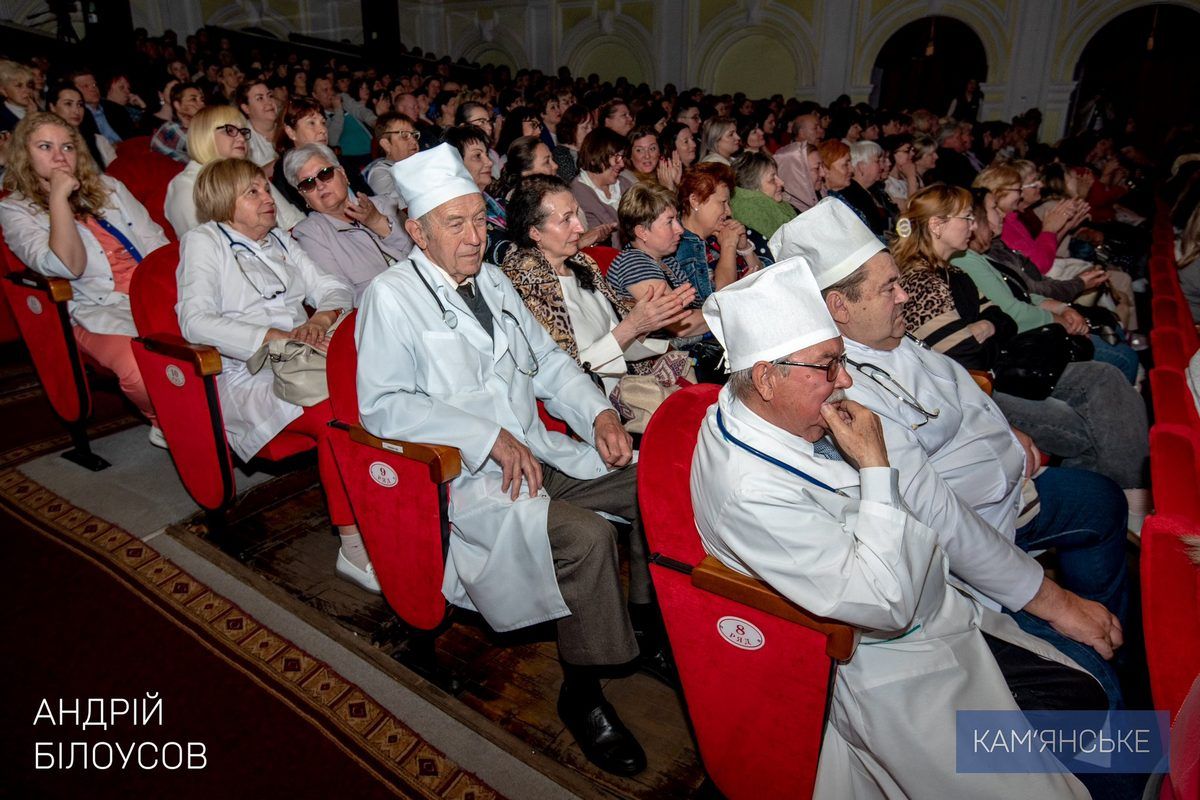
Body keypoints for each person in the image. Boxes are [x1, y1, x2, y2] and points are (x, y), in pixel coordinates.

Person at [690, 257, 1114, 799]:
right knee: (1089, 733)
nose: (844, 380)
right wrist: (875, 468)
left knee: (1090, 697)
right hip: (892, 668)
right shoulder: (751, 490)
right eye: (827, 365)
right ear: (769, 377)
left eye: (841, 360)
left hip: (938, 614)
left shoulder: (756, 405)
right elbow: (883, 603)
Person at [355, 143, 656, 777]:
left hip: (538, 450)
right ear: (416, 231)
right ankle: (583, 692)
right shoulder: (390, 297)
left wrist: (596, 414)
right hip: (474, 479)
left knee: (651, 484)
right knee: (585, 538)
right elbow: (381, 408)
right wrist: (483, 437)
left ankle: (642, 622)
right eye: (453, 224)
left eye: (477, 219)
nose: (472, 237)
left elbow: (547, 363)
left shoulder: (493, 279)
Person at [779, 197, 1132, 708]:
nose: (906, 296)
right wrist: (1055, 603)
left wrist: (1009, 433)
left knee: (1103, 500)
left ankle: (1105, 628)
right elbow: (939, 517)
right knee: (1095, 693)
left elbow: (962, 391)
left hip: (1011, 496)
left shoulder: (890, 336)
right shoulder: (839, 387)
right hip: (967, 549)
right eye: (889, 288)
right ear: (838, 307)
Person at [891, 185, 1149, 528]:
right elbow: (965, 358)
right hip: (974, 393)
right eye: (966, 218)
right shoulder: (920, 279)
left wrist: (984, 328)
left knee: (1104, 377)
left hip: (1002, 371)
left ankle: (1129, 501)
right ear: (937, 225)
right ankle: (1092, 511)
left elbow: (1003, 320)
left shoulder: (951, 272)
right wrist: (985, 330)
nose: (972, 224)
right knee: (1092, 434)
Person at [176, 157, 379, 592]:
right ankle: (352, 544)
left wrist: (319, 322)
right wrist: (276, 335)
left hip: (301, 354)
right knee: (335, 416)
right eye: (253, 192)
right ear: (223, 200)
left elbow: (331, 286)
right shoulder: (203, 242)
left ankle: (386, 509)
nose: (268, 198)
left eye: (265, 190)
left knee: (378, 389)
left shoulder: (280, 241)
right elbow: (195, 323)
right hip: (247, 372)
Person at [0, 112, 169, 446]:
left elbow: (155, 242)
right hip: (95, 309)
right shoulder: (15, 210)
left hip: (148, 292)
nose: (60, 156)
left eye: (67, 146)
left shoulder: (109, 187)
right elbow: (68, 267)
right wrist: (58, 199)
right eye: (45, 146)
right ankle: (165, 420)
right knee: (139, 369)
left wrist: (172, 291)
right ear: (24, 154)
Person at [500, 175, 691, 394]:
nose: (580, 227)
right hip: (592, 400)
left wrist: (645, 324)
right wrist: (633, 326)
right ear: (535, 232)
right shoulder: (527, 287)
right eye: (566, 219)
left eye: (577, 214)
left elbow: (615, 336)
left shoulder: (583, 264)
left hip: (627, 382)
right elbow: (562, 372)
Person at [287, 143, 412, 304]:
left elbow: (423, 253)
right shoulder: (310, 234)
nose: (319, 185)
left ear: (343, 174)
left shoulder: (384, 204)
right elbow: (341, 295)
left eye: (325, 173)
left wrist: (378, 222)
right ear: (304, 196)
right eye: (308, 184)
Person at [164, 105, 304, 238]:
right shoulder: (186, 186)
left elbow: (293, 220)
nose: (241, 138)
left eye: (243, 132)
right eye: (230, 130)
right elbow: (207, 246)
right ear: (205, 135)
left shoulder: (248, 173)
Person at [606, 181, 709, 341]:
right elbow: (680, 325)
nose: (680, 229)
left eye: (677, 219)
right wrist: (728, 311)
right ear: (642, 232)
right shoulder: (633, 263)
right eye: (669, 222)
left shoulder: (667, 260)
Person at [676, 162, 768, 303]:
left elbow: (765, 275)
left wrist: (744, 249)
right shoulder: (679, 246)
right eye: (722, 202)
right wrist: (729, 246)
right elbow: (717, 302)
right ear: (695, 201)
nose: (728, 211)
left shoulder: (717, 235)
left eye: (728, 204)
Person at [569, 127, 631, 248]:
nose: (622, 164)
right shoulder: (577, 193)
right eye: (617, 157)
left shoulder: (624, 183)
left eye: (622, 157)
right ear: (595, 157)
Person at [729, 151, 796, 240]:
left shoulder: (778, 205)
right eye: (772, 179)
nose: (781, 183)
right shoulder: (753, 211)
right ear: (752, 188)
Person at [47, 82, 116, 168]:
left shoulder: (98, 141)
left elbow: (117, 173)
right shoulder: (47, 145)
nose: (76, 111)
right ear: (52, 107)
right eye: (68, 104)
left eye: (80, 105)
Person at [829, 140, 887, 237]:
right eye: (877, 161)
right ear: (861, 167)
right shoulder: (851, 195)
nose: (883, 167)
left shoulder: (876, 191)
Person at [362, 112, 421, 198]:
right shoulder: (380, 172)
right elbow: (395, 204)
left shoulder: (424, 163)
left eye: (414, 135)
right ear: (386, 145)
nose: (414, 141)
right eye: (404, 135)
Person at [151, 82, 205, 163]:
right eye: (193, 99)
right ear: (178, 105)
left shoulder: (195, 127)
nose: (202, 103)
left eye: (201, 99)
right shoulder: (171, 130)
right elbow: (207, 154)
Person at [236, 80, 279, 167]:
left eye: (270, 96)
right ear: (246, 108)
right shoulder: (242, 138)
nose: (269, 102)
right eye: (260, 98)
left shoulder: (289, 128)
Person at [552, 103, 592, 184]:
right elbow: (574, 183)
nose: (590, 130)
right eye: (585, 127)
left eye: (591, 126)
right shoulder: (560, 154)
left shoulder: (591, 148)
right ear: (571, 129)